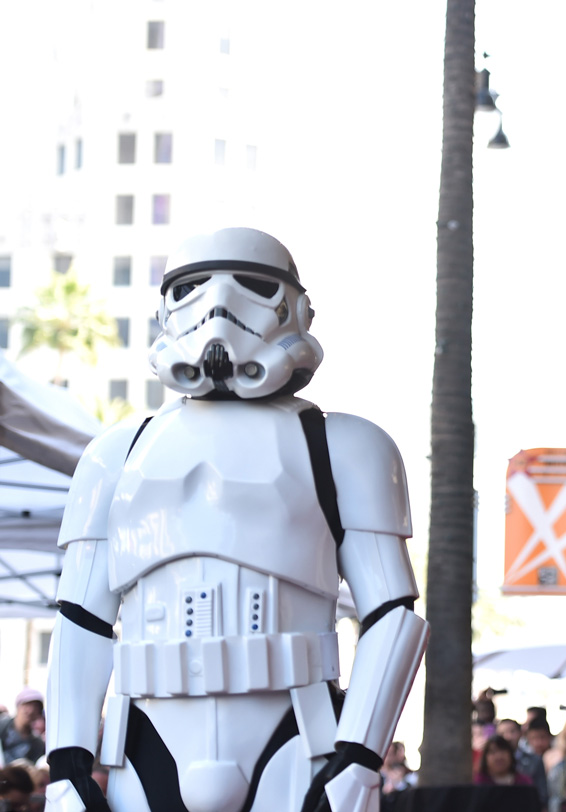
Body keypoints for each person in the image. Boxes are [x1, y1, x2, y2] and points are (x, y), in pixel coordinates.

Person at [43, 228, 430, 812]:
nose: (218, 307)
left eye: (251, 285)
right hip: (146, 740)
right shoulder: (113, 454)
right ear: (165, 310)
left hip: (299, 736)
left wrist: (359, 760)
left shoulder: (345, 446)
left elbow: (392, 615)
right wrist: (67, 765)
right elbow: (81, 620)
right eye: (191, 288)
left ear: (295, 308)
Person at [0, 689, 45, 764]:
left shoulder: (38, 744)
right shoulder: (2, 725)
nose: (30, 710)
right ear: (18, 706)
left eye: (35, 707)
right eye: (26, 705)